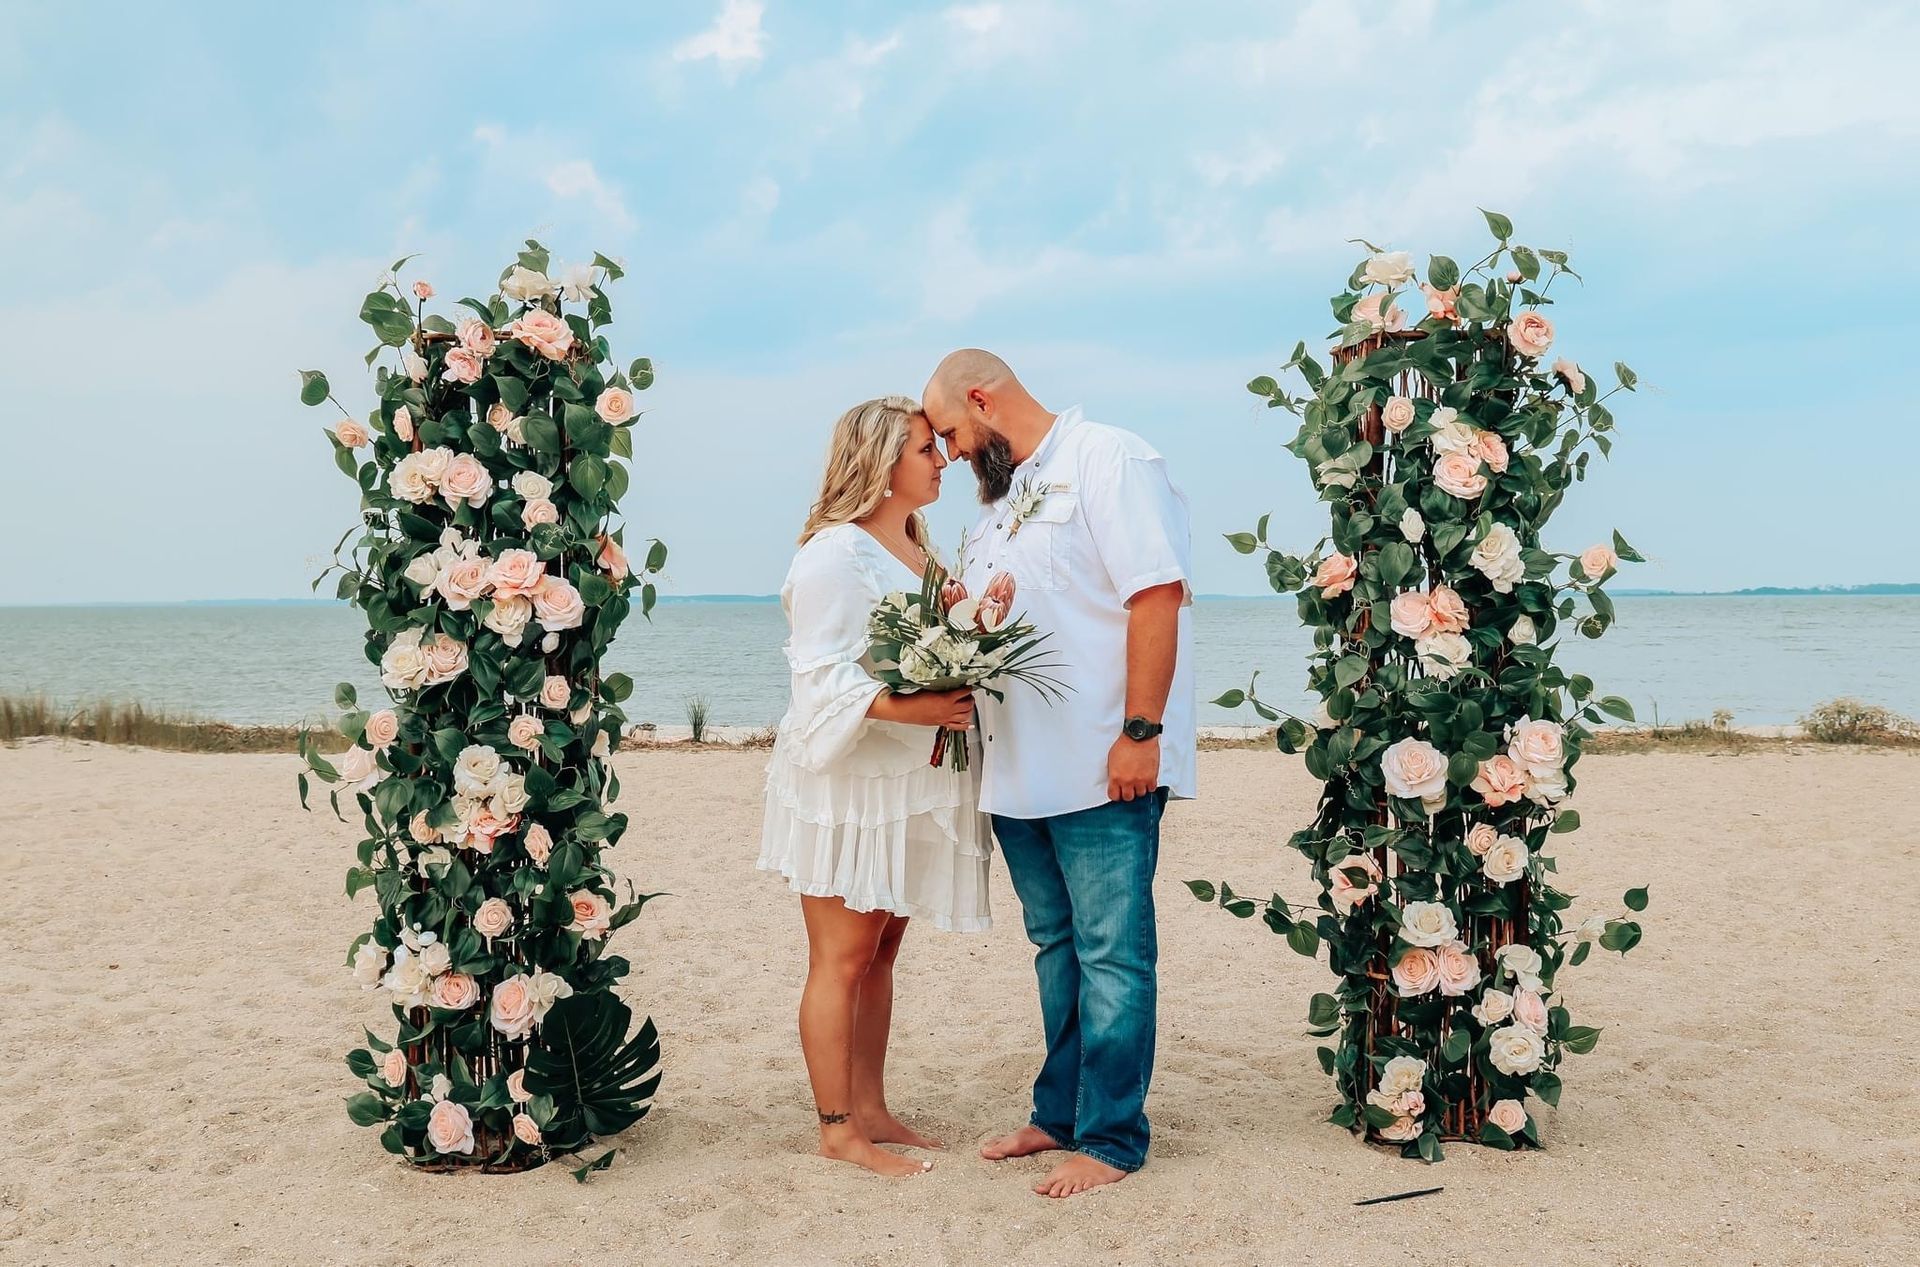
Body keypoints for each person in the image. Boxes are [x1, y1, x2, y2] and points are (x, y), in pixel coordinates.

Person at [922, 350, 1196, 1199]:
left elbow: (1156, 594)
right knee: (1056, 947)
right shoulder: (994, 508)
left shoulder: (1107, 458)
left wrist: (1140, 732)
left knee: (1114, 952)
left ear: (981, 397)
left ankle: (1112, 1137)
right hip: (1015, 768)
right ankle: (1061, 1112)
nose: (953, 452)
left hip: (1101, 762)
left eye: (951, 434)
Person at [757, 395, 991, 1178]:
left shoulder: (918, 547)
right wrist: (918, 704)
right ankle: (836, 1129)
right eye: (927, 448)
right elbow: (817, 678)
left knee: (884, 948)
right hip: (848, 780)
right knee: (842, 956)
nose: (943, 459)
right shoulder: (834, 552)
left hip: (902, 779)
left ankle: (872, 1105)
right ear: (882, 461)